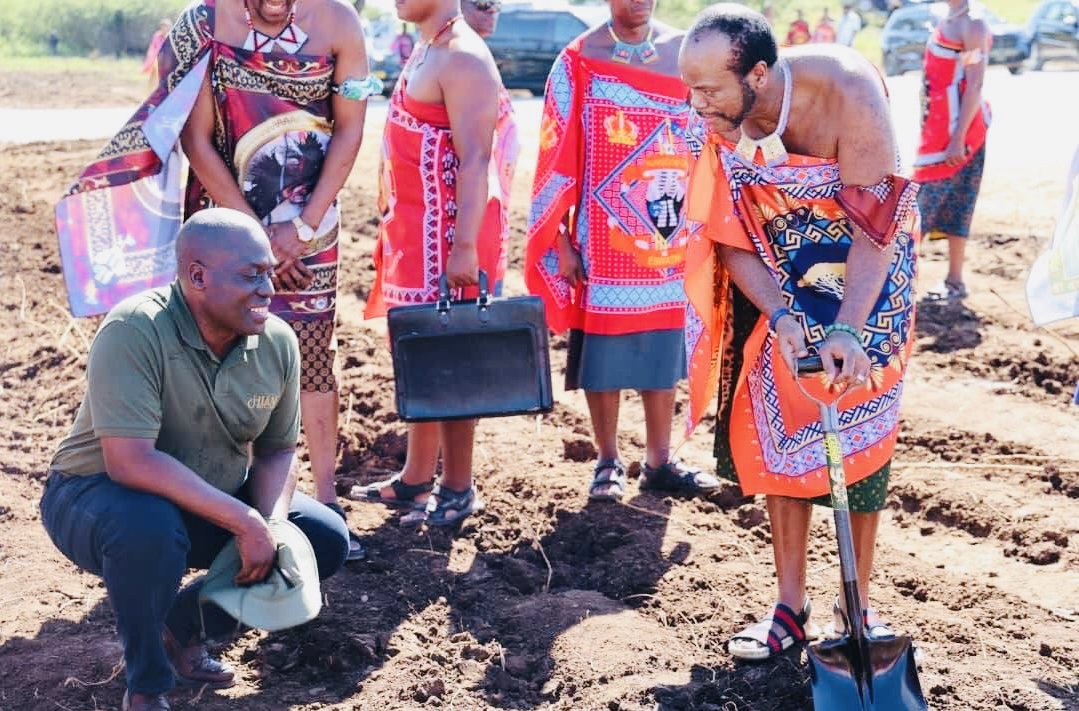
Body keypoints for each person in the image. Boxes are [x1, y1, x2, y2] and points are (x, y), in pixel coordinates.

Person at [679, 5, 919, 661]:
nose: (694, 104)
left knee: (860, 415)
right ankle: (789, 606)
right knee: (780, 415)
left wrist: (847, 325)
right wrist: (784, 318)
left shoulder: (848, 91)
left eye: (708, 90)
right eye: (689, 88)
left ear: (758, 73)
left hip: (868, 268)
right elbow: (729, 239)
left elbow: (874, 230)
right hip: (776, 263)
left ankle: (857, 608)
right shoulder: (720, 121)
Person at [39, 209, 350, 711]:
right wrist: (245, 522)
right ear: (198, 277)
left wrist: (269, 524)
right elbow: (130, 463)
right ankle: (146, 685)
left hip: (203, 494)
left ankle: (181, 628)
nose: (268, 289)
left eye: (269, 272)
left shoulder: (276, 342)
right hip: (94, 497)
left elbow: (277, 448)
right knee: (149, 528)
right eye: (251, 275)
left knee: (322, 537)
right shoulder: (134, 329)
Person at [180, 0, 377, 560]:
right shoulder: (202, 23)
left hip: (310, 228)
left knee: (313, 357)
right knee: (212, 357)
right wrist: (254, 235)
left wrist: (306, 224)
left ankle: (326, 502)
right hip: (222, 223)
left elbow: (351, 126)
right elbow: (195, 139)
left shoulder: (341, 24)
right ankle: (212, 509)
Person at [525, 0, 719, 503]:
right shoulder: (579, 57)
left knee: (662, 351)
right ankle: (607, 459)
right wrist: (563, 241)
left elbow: (715, 135)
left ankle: (660, 460)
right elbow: (553, 153)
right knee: (604, 358)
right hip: (603, 243)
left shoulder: (685, 52)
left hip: (669, 237)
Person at [358, 0, 518, 526]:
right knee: (421, 360)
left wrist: (465, 248)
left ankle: (456, 488)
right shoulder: (431, 47)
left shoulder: (464, 56)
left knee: (452, 365)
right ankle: (414, 479)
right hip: (415, 236)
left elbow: (476, 159)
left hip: (449, 242)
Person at [912, 0, 991, 302]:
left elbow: (975, 83)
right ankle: (949, 281)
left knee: (925, 210)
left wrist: (957, 139)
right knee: (934, 205)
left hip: (959, 133)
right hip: (937, 127)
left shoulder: (972, 24)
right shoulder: (948, 16)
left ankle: (950, 281)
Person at [142, 19, 172, 85]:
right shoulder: (157, 35)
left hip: (167, 57)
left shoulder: (170, 36)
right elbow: (153, 46)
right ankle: (150, 86)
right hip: (157, 57)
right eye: (163, 26)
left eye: (166, 26)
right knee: (154, 72)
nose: (164, 28)